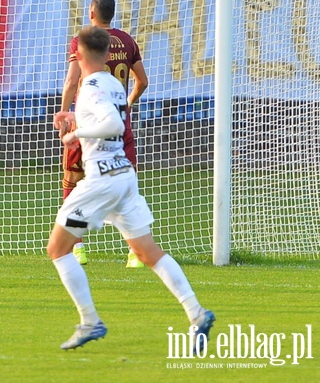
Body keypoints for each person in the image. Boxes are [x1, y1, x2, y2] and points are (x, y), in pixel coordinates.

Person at [50, 26, 214, 352]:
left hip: (101, 181)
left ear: (79, 55)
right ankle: (197, 313)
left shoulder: (92, 85)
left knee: (58, 249)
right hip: (123, 176)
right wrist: (74, 116)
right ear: (107, 55)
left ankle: (90, 321)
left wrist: (75, 135)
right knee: (147, 253)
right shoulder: (111, 82)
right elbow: (109, 116)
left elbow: (112, 124)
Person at [56, 0, 148, 267]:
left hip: (87, 121)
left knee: (72, 182)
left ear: (91, 13)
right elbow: (142, 81)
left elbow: (72, 82)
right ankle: (135, 252)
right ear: (113, 14)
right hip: (120, 126)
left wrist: (65, 118)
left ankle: (77, 248)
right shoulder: (127, 41)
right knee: (126, 187)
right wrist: (127, 105)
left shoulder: (84, 41)